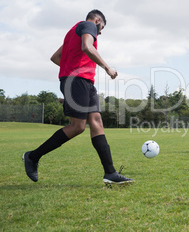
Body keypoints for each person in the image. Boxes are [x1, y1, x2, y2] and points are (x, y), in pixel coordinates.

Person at [23, 10, 134, 185]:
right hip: (77, 82)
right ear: (97, 20)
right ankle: (32, 156)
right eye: (101, 28)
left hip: (85, 83)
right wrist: (107, 68)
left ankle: (110, 173)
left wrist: (71, 68)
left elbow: (55, 58)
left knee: (96, 121)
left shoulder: (72, 32)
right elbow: (87, 47)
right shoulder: (88, 25)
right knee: (77, 127)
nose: (99, 33)